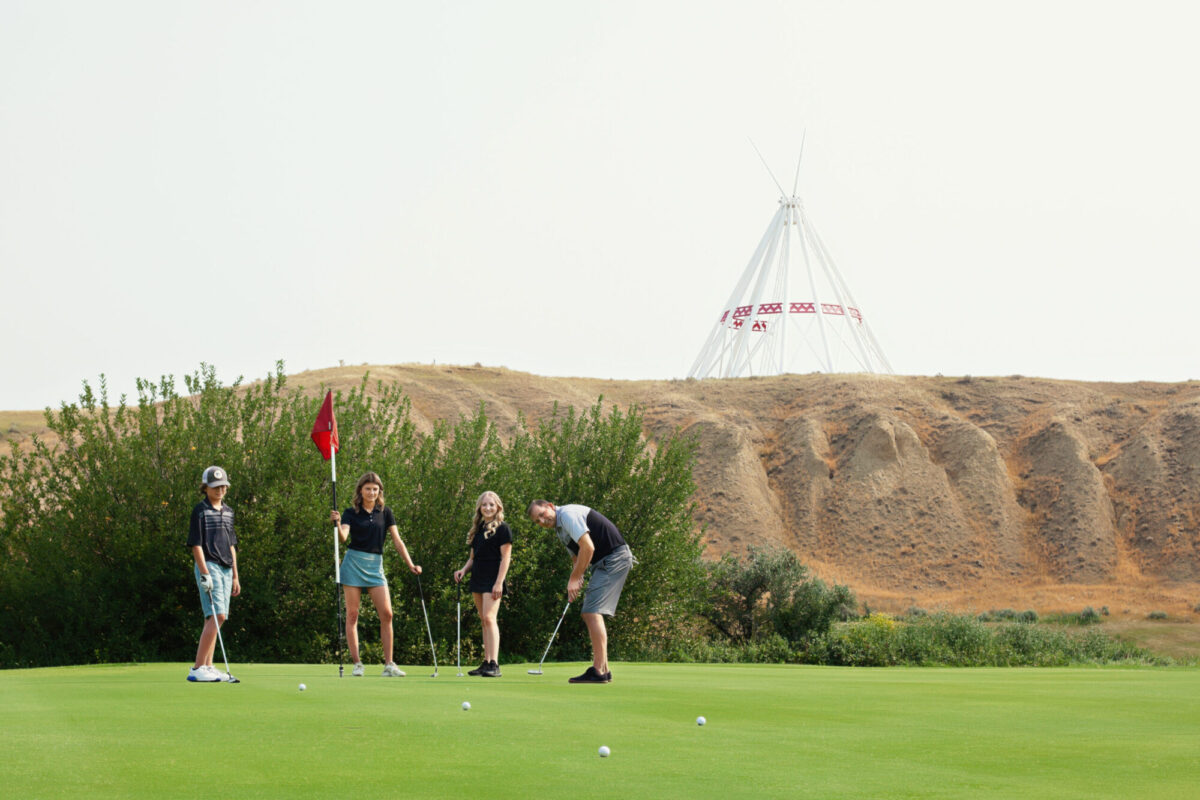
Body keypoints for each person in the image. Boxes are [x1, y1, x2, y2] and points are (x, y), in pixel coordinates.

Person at [526, 500, 634, 684]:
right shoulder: (560, 530)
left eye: (542, 515)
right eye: (537, 521)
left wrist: (575, 578)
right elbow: (577, 557)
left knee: (591, 612)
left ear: (551, 506)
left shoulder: (567, 515)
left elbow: (588, 547)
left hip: (614, 558)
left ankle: (598, 671)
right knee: (590, 612)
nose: (542, 521)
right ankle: (604, 670)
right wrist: (576, 579)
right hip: (604, 562)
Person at [330, 472, 422, 677]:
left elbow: (397, 541)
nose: (372, 492)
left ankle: (389, 664)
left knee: (387, 614)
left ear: (379, 491)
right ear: (360, 491)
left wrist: (410, 564)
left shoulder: (385, 512)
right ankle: (357, 664)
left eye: (375, 489)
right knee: (353, 615)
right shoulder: (350, 512)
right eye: (367, 488)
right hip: (353, 563)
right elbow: (344, 537)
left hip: (375, 566)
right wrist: (337, 524)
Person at [187, 466, 240, 682]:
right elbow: (196, 544)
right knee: (218, 615)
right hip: (209, 565)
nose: (220, 490)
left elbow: (231, 546)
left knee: (215, 617)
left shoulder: (228, 512)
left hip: (227, 568)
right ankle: (198, 667)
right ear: (206, 488)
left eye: (222, 486)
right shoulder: (200, 511)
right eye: (215, 487)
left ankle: (208, 666)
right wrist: (204, 572)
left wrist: (236, 575)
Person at [453, 491, 513, 677]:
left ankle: (494, 664)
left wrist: (499, 583)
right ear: (480, 507)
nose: (488, 508)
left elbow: (506, 558)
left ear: (498, 508)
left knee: (489, 618)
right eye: (484, 505)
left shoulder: (503, 529)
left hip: (493, 579)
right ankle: (486, 662)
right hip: (477, 577)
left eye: (491, 505)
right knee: (483, 620)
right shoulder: (478, 529)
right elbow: (473, 557)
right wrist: (463, 569)